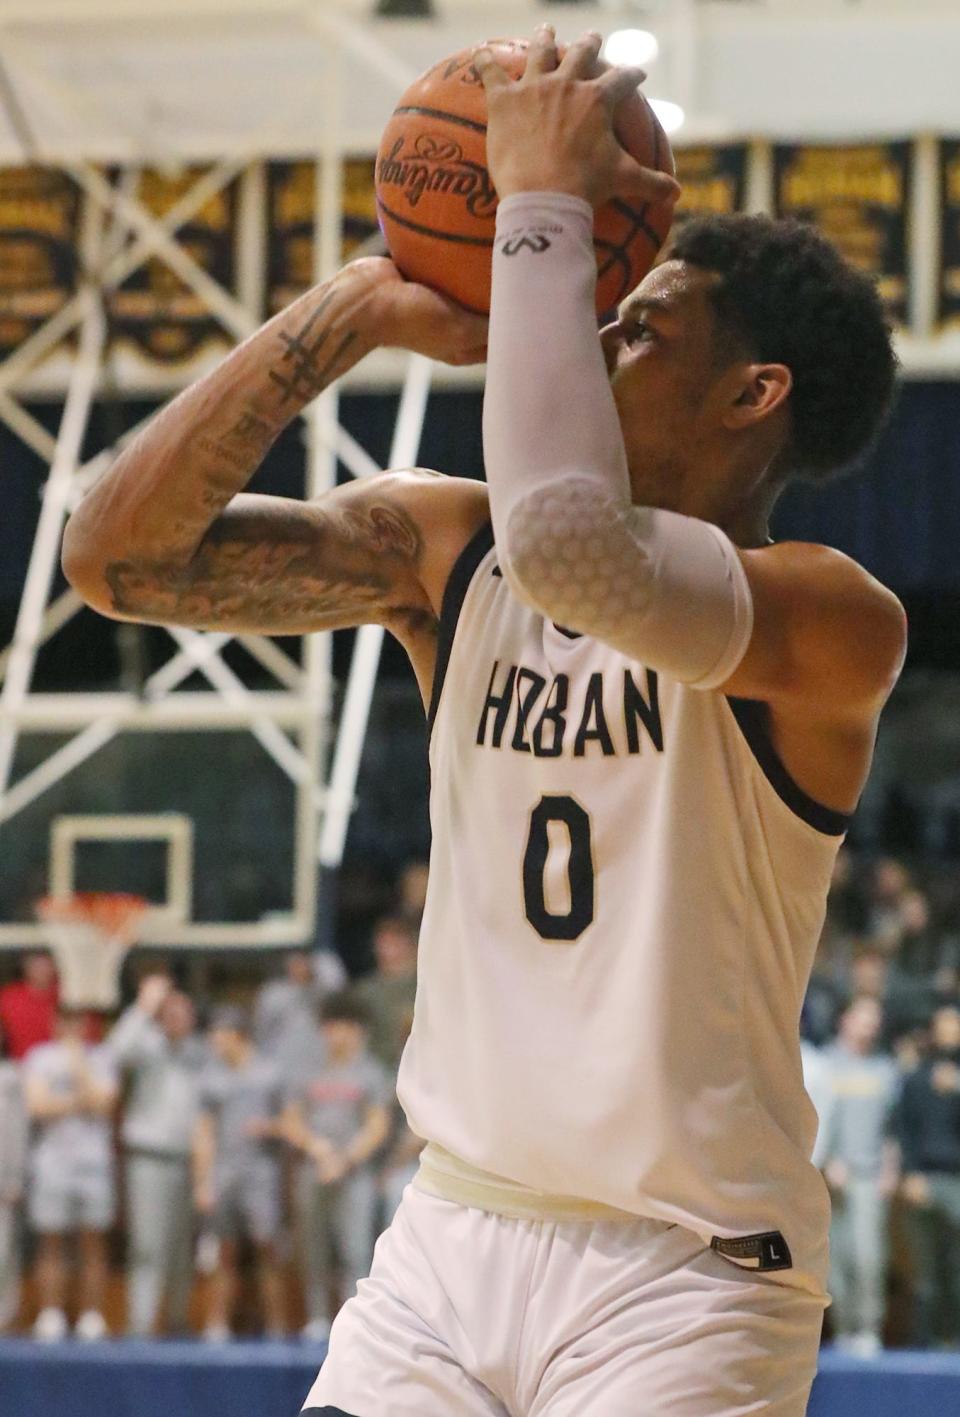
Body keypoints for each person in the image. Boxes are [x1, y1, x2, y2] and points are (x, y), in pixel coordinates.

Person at [61, 25, 906, 1415]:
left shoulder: (830, 618)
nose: (600, 331)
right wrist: (344, 315)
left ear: (756, 397)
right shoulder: (457, 554)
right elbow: (119, 563)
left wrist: (540, 206)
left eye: (647, 326)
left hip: (689, 1276)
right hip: (449, 1237)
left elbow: (582, 549)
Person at [283, 993, 392, 1341]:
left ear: (358, 1030)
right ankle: (316, 1317)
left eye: (344, 1026)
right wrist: (316, 1147)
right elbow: (291, 1120)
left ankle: (353, 1322)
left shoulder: (371, 1072)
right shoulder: (307, 1071)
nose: (337, 1034)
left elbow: (377, 1126)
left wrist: (345, 1159)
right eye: (330, 1026)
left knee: (355, 1249)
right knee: (313, 1247)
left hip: (354, 1174)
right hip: (314, 1170)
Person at [108, 973, 207, 1336]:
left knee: (183, 1251)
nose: (177, 1020)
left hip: (189, 1162)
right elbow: (115, 1050)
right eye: (169, 1013)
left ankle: (178, 1321)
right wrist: (144, 1006)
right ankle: (140, 1326)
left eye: (184, 1013)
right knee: (148, 1246)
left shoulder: (200, 1053)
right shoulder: (146, 1047)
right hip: (149, 1160)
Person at [23, 1006, 119, 1341]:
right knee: (51, 1239)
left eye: (79, 1020)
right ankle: (51, 1313)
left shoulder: (102, 1056)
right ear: (56, 1022)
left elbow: (106, 1105)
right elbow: (37, 1106)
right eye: (66, 1019)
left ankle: (91, 1315)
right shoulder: (40, 1057)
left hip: (93, 1162)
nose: (72, 1026)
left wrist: (78, 1065)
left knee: (93, 1240)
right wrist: (82, 1100)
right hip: (52, 1162)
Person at [193, 1005, 286, 1340]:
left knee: (267, 1248)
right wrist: (203, 1180)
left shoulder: (270, 1073)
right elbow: (204, 1131)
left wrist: (272, 1127)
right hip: (224, 1171)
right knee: (224, 1249)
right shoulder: (211, 1076)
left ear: (238, 1036)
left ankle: (277, 1326)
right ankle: (216, 1325)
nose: (215, 1042)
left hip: (261, 1171)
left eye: (220, 1035)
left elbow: (292, 1122)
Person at [819, 996, 900, 1355]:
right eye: (864, 1017)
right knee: (835, 1260)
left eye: (875, 1018)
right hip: (830, 1177)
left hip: (868, 1176)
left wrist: (890, 1169)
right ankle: (844, 1329)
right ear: (846, 1019)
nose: (870, 1024)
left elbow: (892, 1128)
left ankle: (868, 1328)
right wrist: (829, 1160)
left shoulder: (885, 1070)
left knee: (869, 1256)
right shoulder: (825, 1064)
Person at [896, 1003, 960, 1348]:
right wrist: (910, 1174)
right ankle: (926, 1343)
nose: (951, 1031)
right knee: (925, 1270)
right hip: (924, 1180)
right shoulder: (916, 1076)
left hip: (957, 1180)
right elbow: (902, 1129)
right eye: (945, 1025)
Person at [254, 948, 346, 1088]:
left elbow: (337, 985)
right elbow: (261, 1032)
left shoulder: (322, 991)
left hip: (317, 1065)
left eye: (303, 962)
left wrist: (315, 966)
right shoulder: (273, 993)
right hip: (280, 1065)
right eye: (294, 962)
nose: (299, 967)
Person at [351, 916, 418, 1071]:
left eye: (396, 941)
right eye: (383, 942)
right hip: (373, 1069)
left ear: (412, 944)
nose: (389, 948)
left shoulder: (425, 988)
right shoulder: (364, 990)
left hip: (415, 1068)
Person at [0, 1021, 27, 1331]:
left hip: (3, 1180)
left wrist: (14, 1177)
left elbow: (16, 1132)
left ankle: (5, 1317)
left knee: (4, 1251)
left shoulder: (11, 1076)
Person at [0, 950, 58, 1060]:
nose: (43, 971)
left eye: (47, 966)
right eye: (37, 966)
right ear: (25, 967)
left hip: (61, 1065)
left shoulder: (68, 994)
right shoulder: (8, 997)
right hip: (19, 1063)